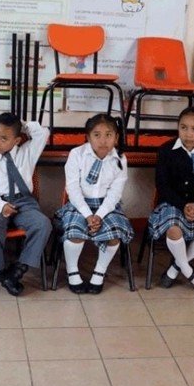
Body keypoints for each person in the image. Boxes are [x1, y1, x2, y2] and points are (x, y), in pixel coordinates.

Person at [55, 113, 133, 294]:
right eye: (97, 135)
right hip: (79, 205)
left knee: (114, 233)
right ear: (88, 137)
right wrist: (88, 214)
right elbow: (72, 189)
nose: (103, 140)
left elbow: (115, 193)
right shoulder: (77, 154)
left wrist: (99, 215)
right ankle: (72, 272)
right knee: (75, 231)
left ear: (116, 137)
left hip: (107, 207)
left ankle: (99, 272)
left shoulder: (120, 159)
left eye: (108, 135)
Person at [0, 112, 51, 296]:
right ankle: (1, 272)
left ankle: (17, 270)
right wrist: (1, 205)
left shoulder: (28, 152)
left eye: (4, 138)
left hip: (24, 202)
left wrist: (20, 124)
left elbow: (43, 133)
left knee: (43, 224)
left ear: (17, 140)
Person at [149, 106, 194, 293]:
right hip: (171, 203)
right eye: (184, 127)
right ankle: (191, 274)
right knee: (173, 229)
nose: (189, 133)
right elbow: (162, 185)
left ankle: (174, 269)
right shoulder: (166, 150)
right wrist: (183, 205)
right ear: (178, 127)